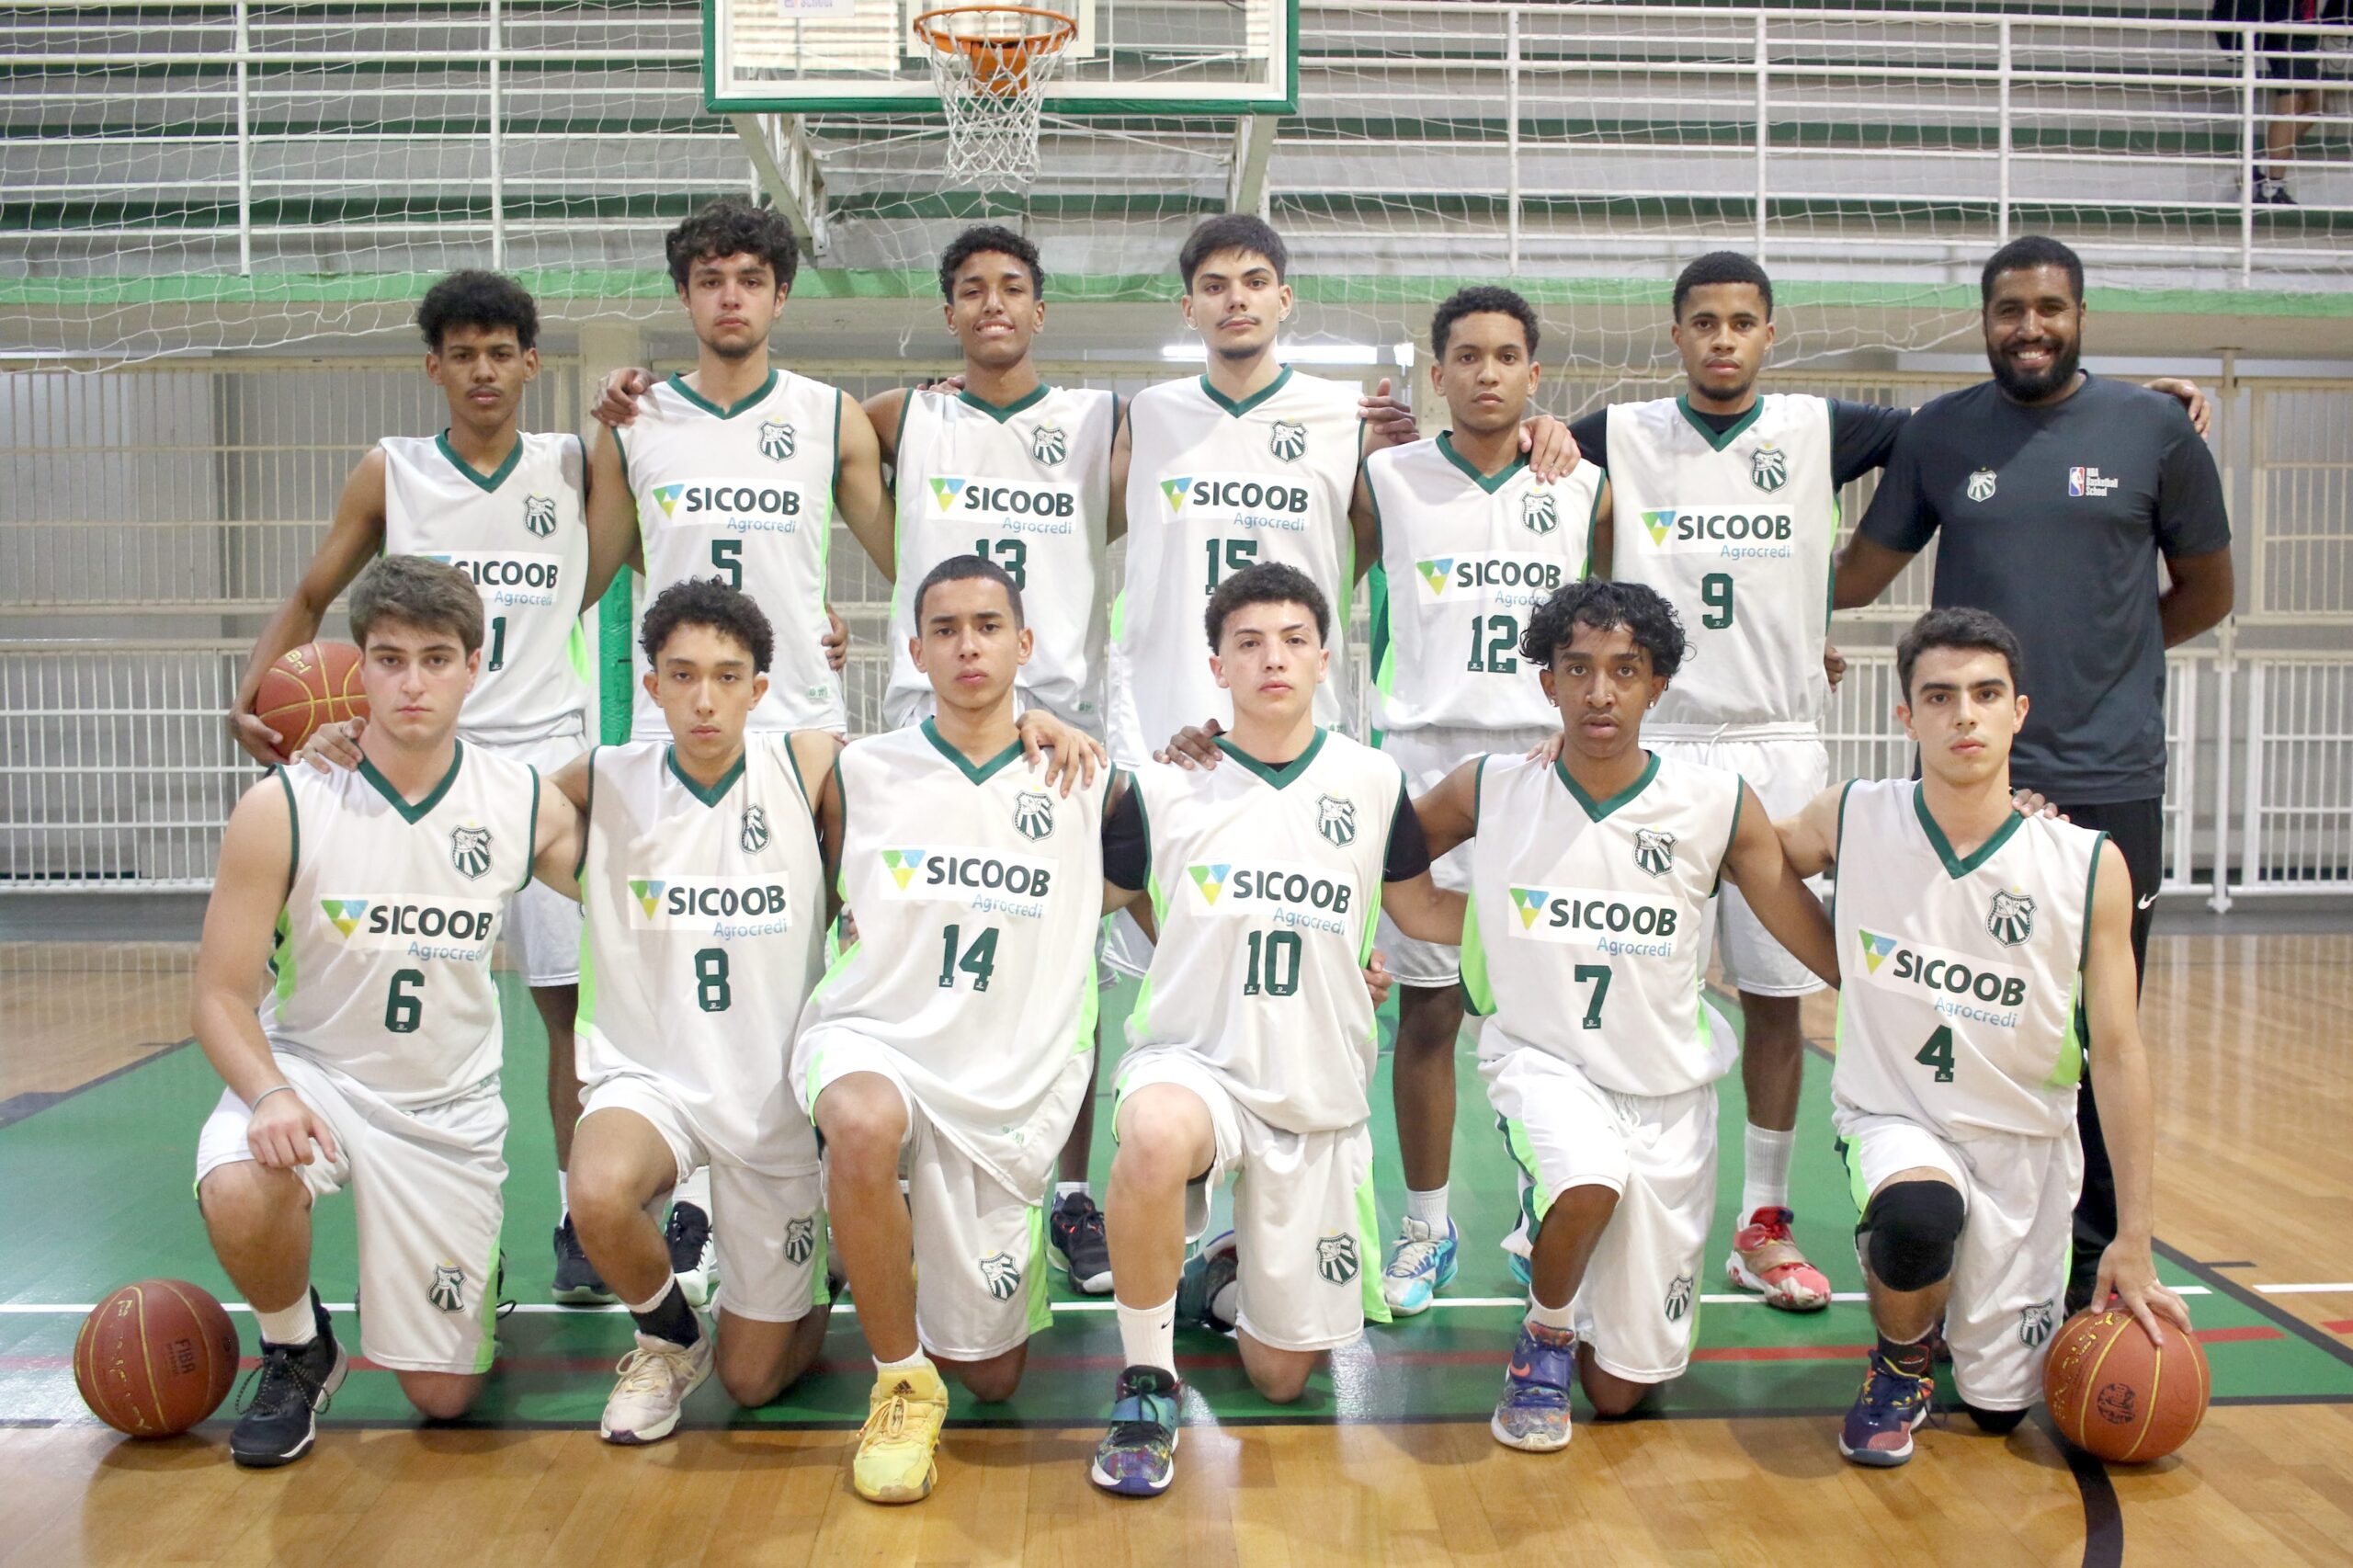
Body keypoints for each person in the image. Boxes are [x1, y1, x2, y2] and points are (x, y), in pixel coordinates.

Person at [1568, 250, 2208, 1317]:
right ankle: (1594, 1183)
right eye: (1703, 322)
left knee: (1779, 994)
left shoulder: (1837, 428)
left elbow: (2018, 414)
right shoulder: (1617, 432)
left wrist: (2149, 410)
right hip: (1663, 734)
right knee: (1634, 977)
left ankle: (1764, 1219)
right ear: (1673, 334)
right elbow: (1498, 442)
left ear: (1771, 334)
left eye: (1742, 322)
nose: (1723, 338)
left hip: (1780, 735)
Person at [1834, 233, 2234, 1313]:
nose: (2029, 326)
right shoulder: (1940, 432)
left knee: (2097, 1026)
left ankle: (2097, 1257)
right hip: (1971, 783)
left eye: (2049, 307)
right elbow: (1854, 575)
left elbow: (2205, 590)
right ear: (1983, 316)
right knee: (1967, 1012)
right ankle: (1945, 1237)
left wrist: (2115, 652)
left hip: (2106, 772)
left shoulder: (2154, 429)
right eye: (2009, 308)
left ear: (2080, 313)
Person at [225, 271, 627, 1303]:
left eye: (501, 352)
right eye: (463, 353)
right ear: (434, 366)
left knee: (569, 1010)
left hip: (537, 760)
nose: (483, 370)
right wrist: (256, 693)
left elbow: (639, 552)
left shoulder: (572, 461)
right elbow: (316, 591)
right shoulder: (390, 470)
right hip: (400, 760)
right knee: (424, 997)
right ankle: (453, 1213)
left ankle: (574, 1217)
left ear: (531, 363)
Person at [1409, 579, 1839, 1451]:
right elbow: (1365, 847)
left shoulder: (1716, 803)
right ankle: (1544, 1336)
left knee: (1620, 1394)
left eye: (1624, 670)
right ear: (1547, 684)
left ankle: (1573, 1266)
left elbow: (1802, 928)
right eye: (1578, 669)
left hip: (1669, 1097)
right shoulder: (1490, 787)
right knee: (1585, 1179)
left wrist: (1876, 992)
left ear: (1658, 684)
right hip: (1544, 1063)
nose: (1600, 691)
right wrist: (1440, 922)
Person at [1774, 607, 2191, 1464]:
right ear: (1907, 717)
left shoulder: (2086, 863)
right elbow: (1748, 851)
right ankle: (1898, 1360)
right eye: (1940, 696)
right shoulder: (1851, 815)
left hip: (2025, 1149)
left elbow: (2118, 1053)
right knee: (1918, 1216)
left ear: (2018, 711)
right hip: (1898, 1118)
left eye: (1984, 693)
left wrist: (2136, 1238)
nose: (1963, 713)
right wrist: (1839, 963)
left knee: (2001, 1411)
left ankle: (1955, 1321)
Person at [190, 555, 579, 1467]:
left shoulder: (520, 801)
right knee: (246, 1179)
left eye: (436, 658)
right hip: (315, 1073)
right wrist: (271, 1092)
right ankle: (298, 1346)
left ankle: (468, 1274)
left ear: (474, 665)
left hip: (444, 1107)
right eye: (390, 657)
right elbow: (217, 994)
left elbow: (633, 882)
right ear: (356, 664)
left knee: (444, 1397)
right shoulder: (284, 805)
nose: (412, 681)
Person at [1090, 562, 1466, 1496]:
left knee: (1280, 1376)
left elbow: (1421, 910)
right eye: (1248, 642)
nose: (1272, 658)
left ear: (1325, 658)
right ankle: (1145, 1380)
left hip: (1312, 1088)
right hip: (1194, 1061)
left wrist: (1554, 913)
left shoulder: (1374, 780)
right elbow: (1082, 899)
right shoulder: (1161, 783)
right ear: (1215, 664)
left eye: (1293, 640)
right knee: (1149, 1135)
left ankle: (1213, 1272)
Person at [792, 555, 1112, 1504]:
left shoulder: (1086, 779)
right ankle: (898, 1377)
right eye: (944, 628)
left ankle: (890, 1241)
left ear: (1024, 644)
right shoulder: (854, 768)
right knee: (856, 1120)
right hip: (872, 1037)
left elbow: (1181, 897)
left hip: (1000, 1078)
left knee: (997, 1377)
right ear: (915, 651)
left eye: (986, 625)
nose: (966, 644)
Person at [1358, 285, 1605, 1314]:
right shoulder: (1384, 476)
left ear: (1535, 375)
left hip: (1543, 770)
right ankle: (1425, 1226)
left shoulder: (1581, 482)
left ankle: (1538, 1206)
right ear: (1437, 370)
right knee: (1428, 1012)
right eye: (1467, 355)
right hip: (1423, 759)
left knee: (1548, 1017)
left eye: (1508, 356)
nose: (1488, 372)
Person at [588, 197, 885, 745]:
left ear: (780, 297)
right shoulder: (634, 421)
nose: (730, 297)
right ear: (684, 295)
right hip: (674, 723)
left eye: (751, 281)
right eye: (710, 281)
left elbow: (906, 563)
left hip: (799, 714)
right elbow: (587, 576)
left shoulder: (832, 415)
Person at [2213, 0, 2325, 204]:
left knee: (2314, 106)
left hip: (2300, 21)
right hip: (2288, 22)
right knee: (2292, 100)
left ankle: (2264, 164)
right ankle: (2272, 185)